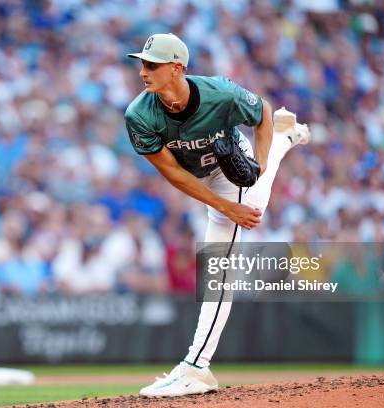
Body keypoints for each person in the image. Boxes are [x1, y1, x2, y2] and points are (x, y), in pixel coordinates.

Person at [124, 33, 310, 397]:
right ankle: (286, 140)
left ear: (177, 68)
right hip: (199, 180)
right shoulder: (139, 114)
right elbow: (173, 172)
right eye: (142, 63)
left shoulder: (220, 93)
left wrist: (255, 166)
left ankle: (197, 366)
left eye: (152, 64)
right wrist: (225, 206)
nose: (143, 71)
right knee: (241, 215)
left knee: (218, 268)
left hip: (230, 168)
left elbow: (262, 112)